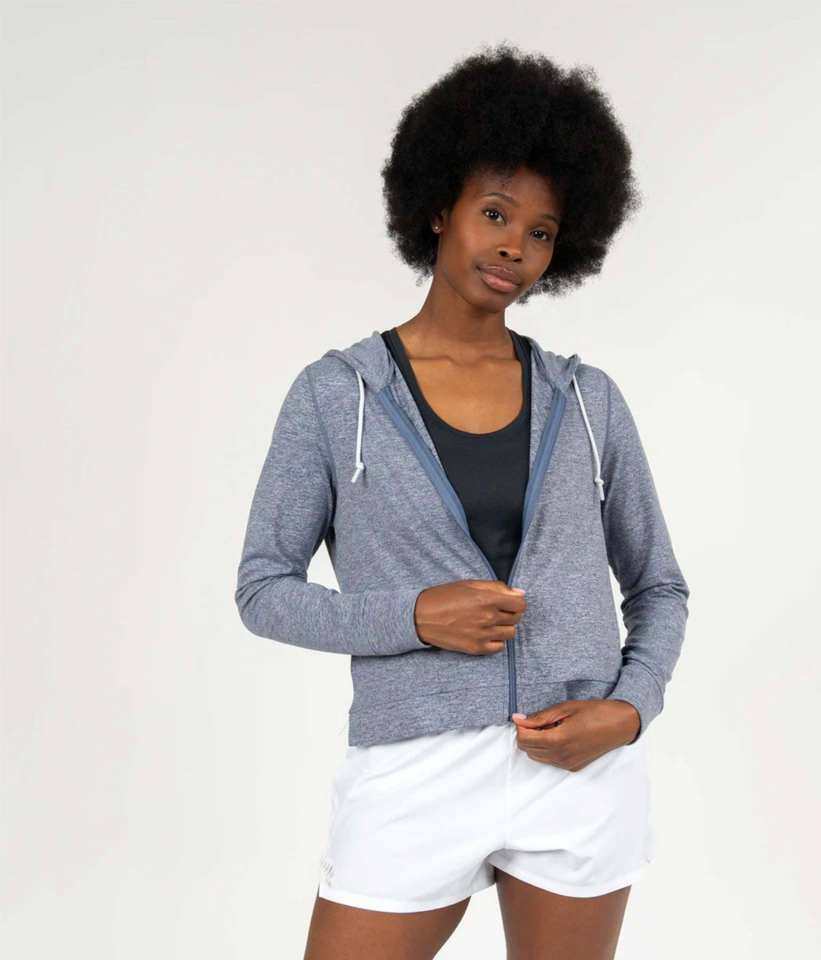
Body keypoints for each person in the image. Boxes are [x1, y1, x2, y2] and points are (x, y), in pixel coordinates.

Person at [235, 42, 691, 960]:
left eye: (542, 232)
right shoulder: (336, 396)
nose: (514, 247)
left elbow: (659, 588)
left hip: (576, 767)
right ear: (438, 206)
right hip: (415, 770)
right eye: (494, 213)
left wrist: (630, 708)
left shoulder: (588, 401)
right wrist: (413, 616)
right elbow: (263, 589)